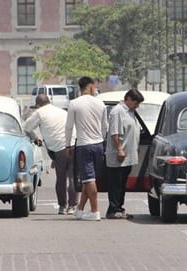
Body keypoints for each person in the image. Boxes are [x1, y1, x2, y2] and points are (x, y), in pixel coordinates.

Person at [24, 94, 77, 215]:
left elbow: (26, 127)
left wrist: (35, 137)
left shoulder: (40, 112)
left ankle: (63, 206)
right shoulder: (61, 111)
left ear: (38, 104)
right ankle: (73, 206)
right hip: (74, 144)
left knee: (61, 178)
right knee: (73, 177)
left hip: (59, 148)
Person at [65, 76, 108, 221]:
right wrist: (101, 140)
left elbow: (69, 126)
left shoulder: (74, 104)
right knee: (88, 179)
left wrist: (68, 144)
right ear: (91, 87)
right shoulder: (100, 104)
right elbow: (104, 126)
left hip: (84, 144)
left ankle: (95, 211)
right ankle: (80, 209)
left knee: (89, 179)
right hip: (98, 144)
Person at [105, 88, 144, 219]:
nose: (137, 106)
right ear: (128, 99)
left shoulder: (130, 111)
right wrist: (119, 149)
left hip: (127, 156)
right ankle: (113, 209)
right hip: (119, 155)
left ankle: (119, 208)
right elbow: (114, 133)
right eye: (135, 103)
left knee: (122, 184)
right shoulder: (118, 112)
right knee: (115, 184)